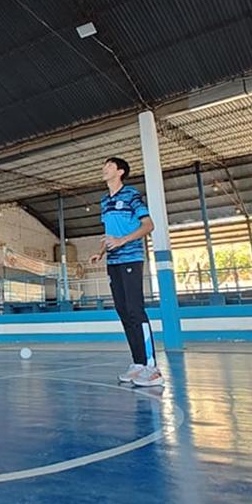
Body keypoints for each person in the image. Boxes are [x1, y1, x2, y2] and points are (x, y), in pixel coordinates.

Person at [88, 157, 164, 387]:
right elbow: (109, 231)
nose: (104, 168)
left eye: (109, 166)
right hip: (113, 261)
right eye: (104, 165)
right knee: (122, 311)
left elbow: (148, 225)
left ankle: (152, 368)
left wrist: (122, 241)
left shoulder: (131, 195)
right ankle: (138, 363)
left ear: (120, 172)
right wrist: (100, 252)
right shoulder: (104, 201)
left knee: (135, 310)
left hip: (131, 257)